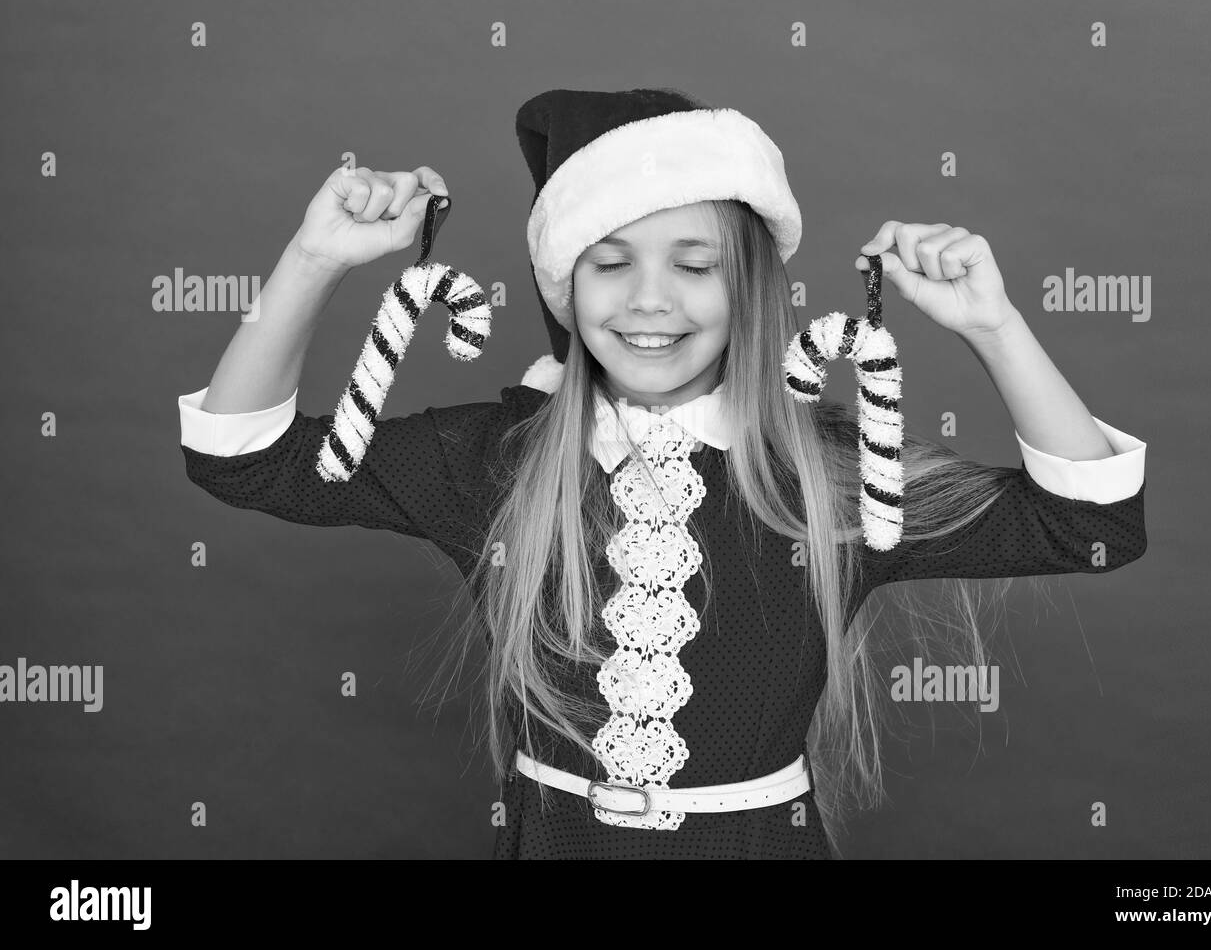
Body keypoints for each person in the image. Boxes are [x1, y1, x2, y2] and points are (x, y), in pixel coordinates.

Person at [177, 87, 1148, 859]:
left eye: (695, 263)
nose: (650, 302)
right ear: (565, 288)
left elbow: (1091, 528)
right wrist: (314, 258)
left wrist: (993, 326)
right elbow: (243, 459)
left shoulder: (829, 477)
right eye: (608, 262)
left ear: (749, 287)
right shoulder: (491, 460)